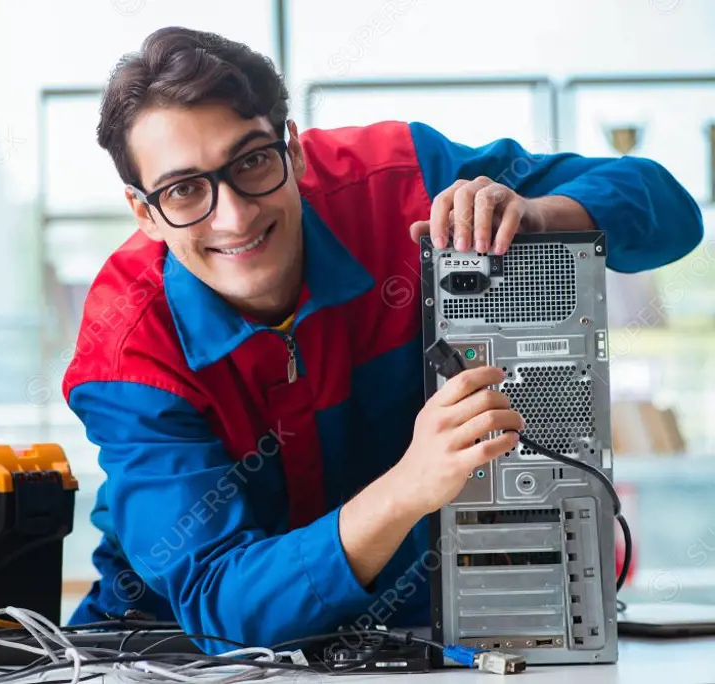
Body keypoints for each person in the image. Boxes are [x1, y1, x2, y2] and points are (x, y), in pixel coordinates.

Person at [61, 27, 702, 654]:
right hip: (182, 656)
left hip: (425, 636)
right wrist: (410, 486)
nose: (234, 215)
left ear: (294, 149)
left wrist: (540, 217)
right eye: (184, 189)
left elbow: (671, 212)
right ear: (144, 211)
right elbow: (218, 602)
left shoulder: (408, 183)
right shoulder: (126, 352)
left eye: (252, 160)